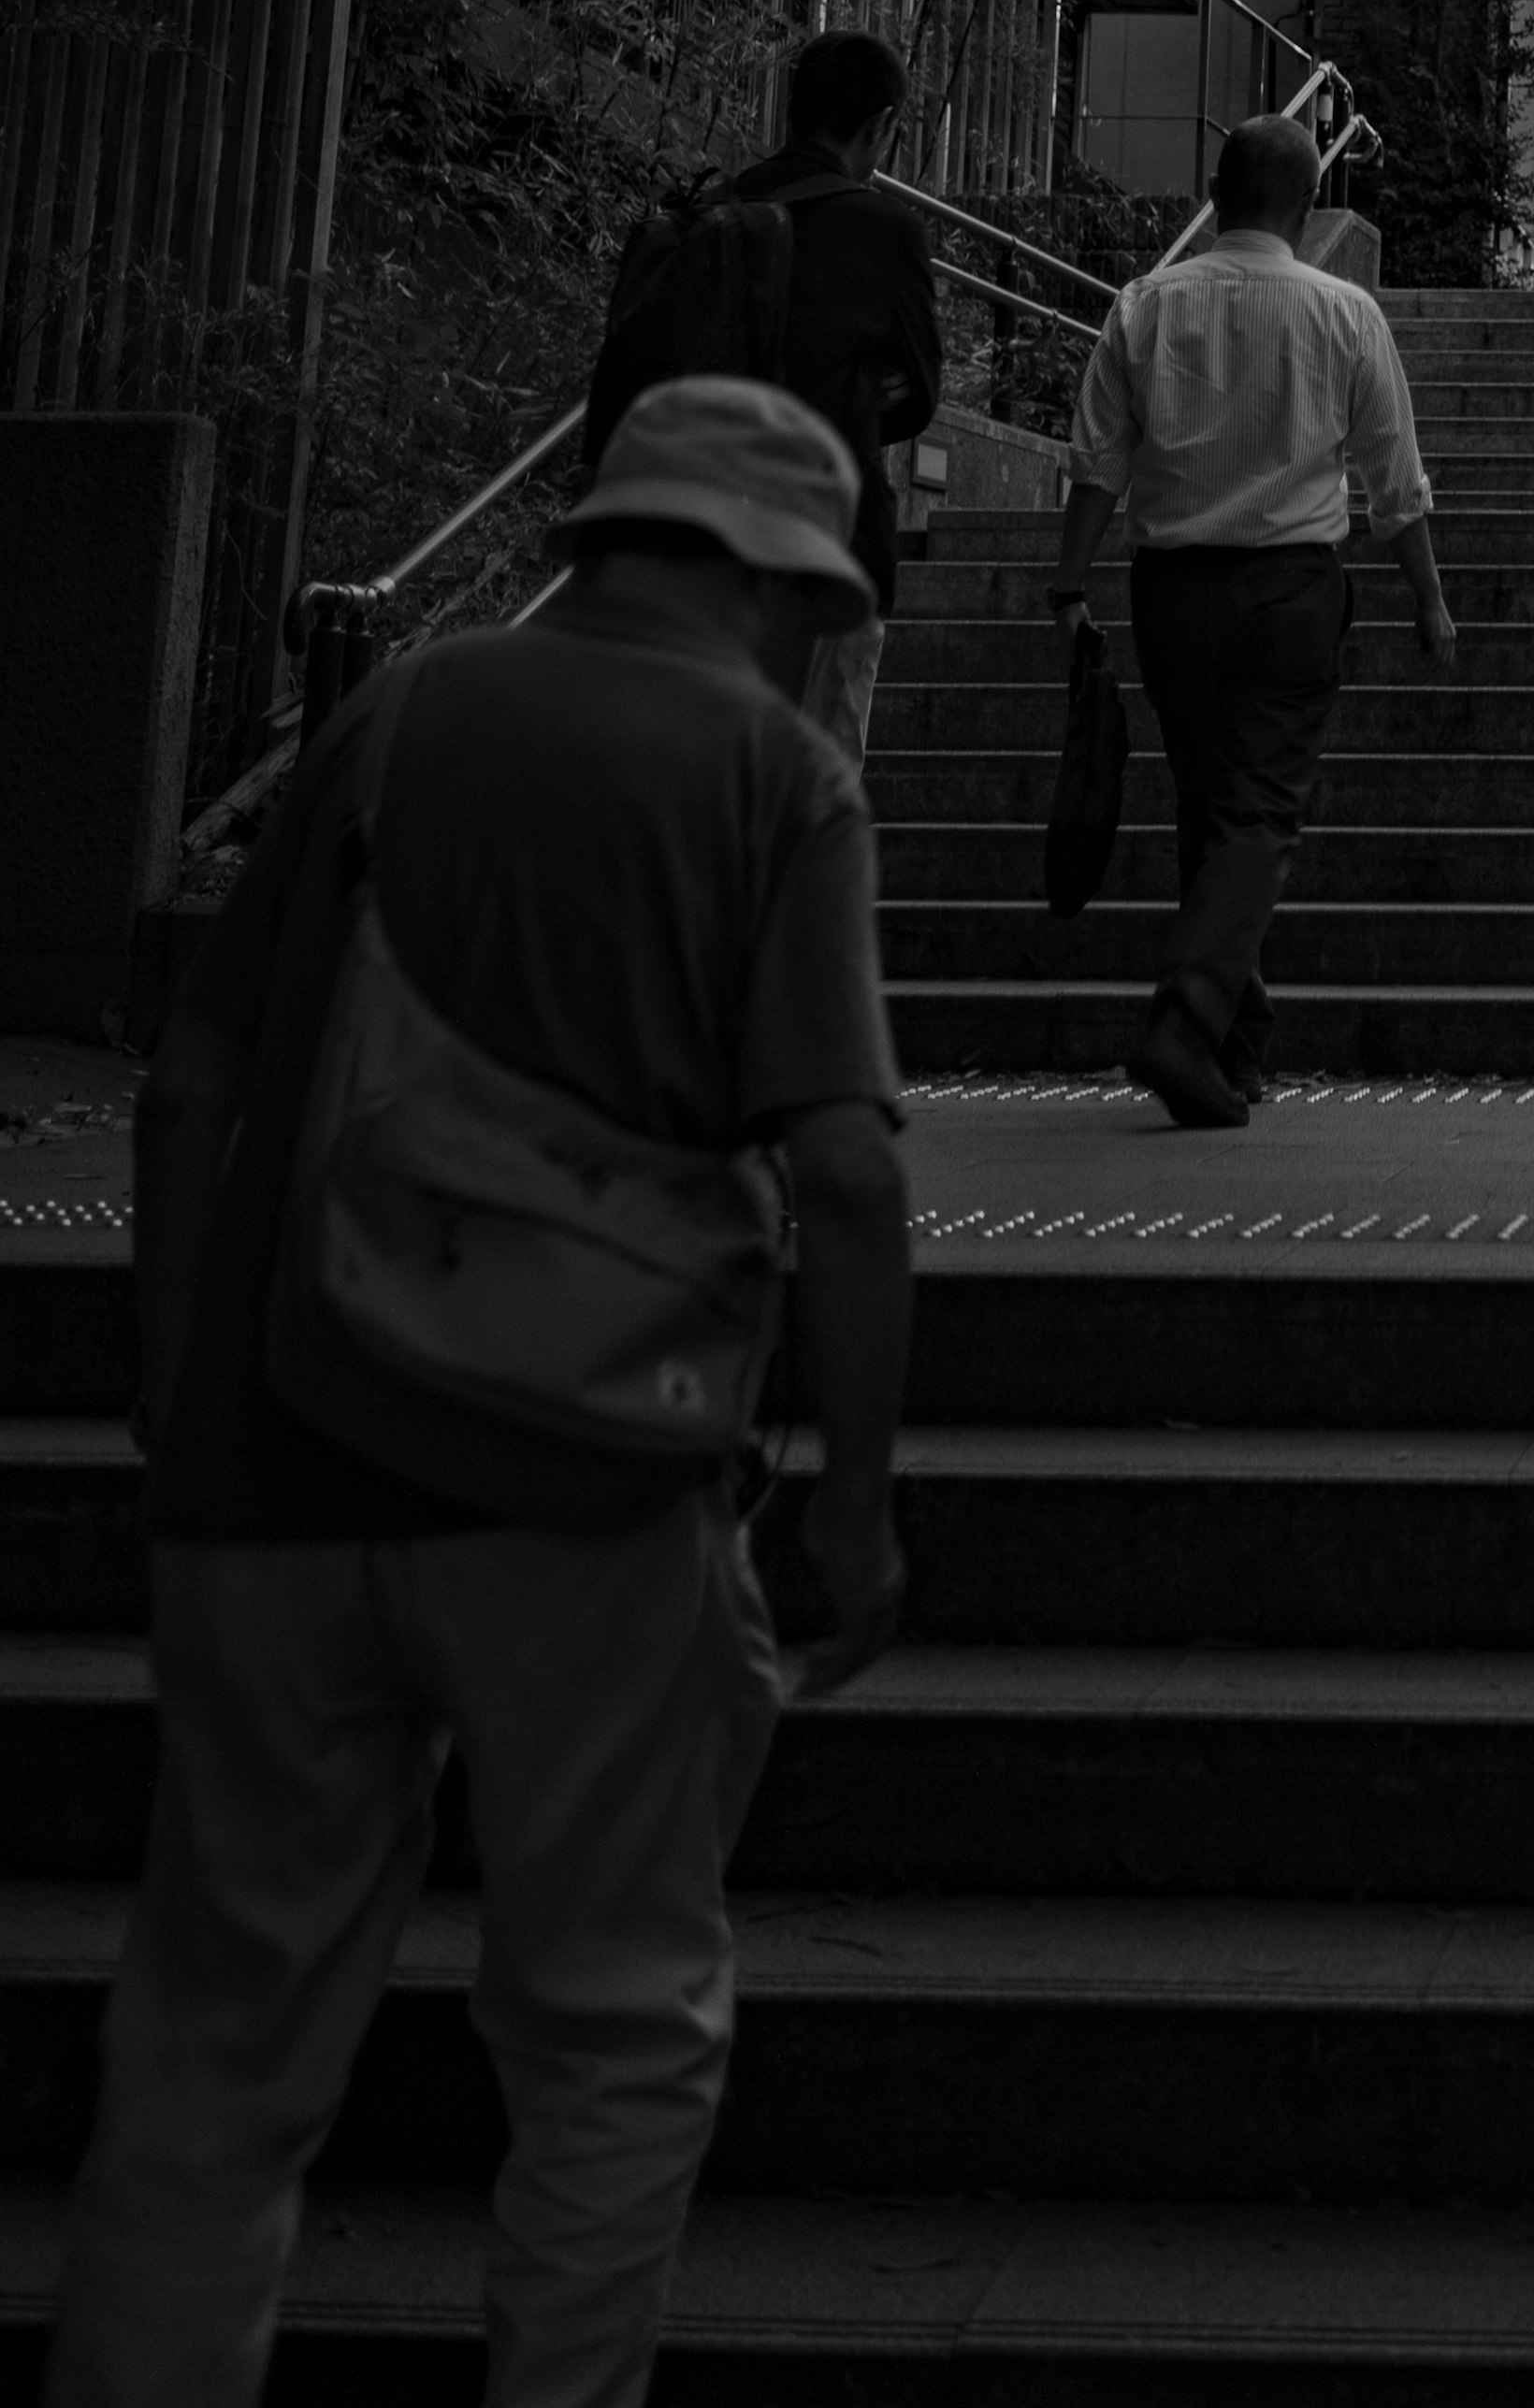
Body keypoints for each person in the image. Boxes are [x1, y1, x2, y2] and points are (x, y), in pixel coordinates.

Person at [53, 377, 913, 2408]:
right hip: (592, 1493)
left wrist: (185, 1400)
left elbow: (187, 1081)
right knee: (613, 2027)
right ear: (794, 585)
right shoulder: (773, 776)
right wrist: (855, 1498)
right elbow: (851, 1169)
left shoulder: (395, 714)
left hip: (277, 1474)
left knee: (214, 2047)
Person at [1045, 110, 1455, 1132]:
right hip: (1289, 594)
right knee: (1259, 810)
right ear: (1308, 206)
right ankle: (1189, 1022)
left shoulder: (1145, 305)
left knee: (1208, 802)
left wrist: (1067, 582)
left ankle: (1233, 1042)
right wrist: (1431, 598)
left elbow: (1097, 460)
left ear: (1217, 194)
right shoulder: (1345, 313)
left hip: (1172, 590)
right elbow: (1392, 480)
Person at [584, 29, 943, 768]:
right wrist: (856, 394)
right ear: (880, 127)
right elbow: (920, 396)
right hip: (832, 549)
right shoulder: (888, 233)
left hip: (697, 548)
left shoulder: (712, 211)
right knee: (805, 799)